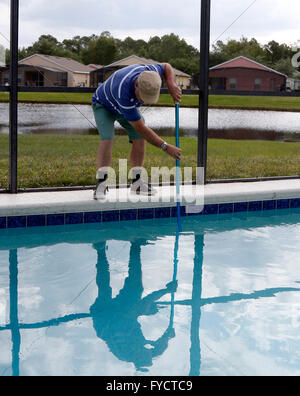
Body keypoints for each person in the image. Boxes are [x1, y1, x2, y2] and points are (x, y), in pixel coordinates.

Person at [92, 63, 182, 199]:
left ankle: (137, 182)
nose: (143, 101)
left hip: (125, 106)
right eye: (142, 97)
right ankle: (101, 183)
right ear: (136, 86)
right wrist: (165, 146)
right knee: (107, 139)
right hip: (104, 105)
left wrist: (171, 84)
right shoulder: (124, 92)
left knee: (139, 139)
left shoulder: (151, 73)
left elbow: (167, 66)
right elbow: (140, 128)